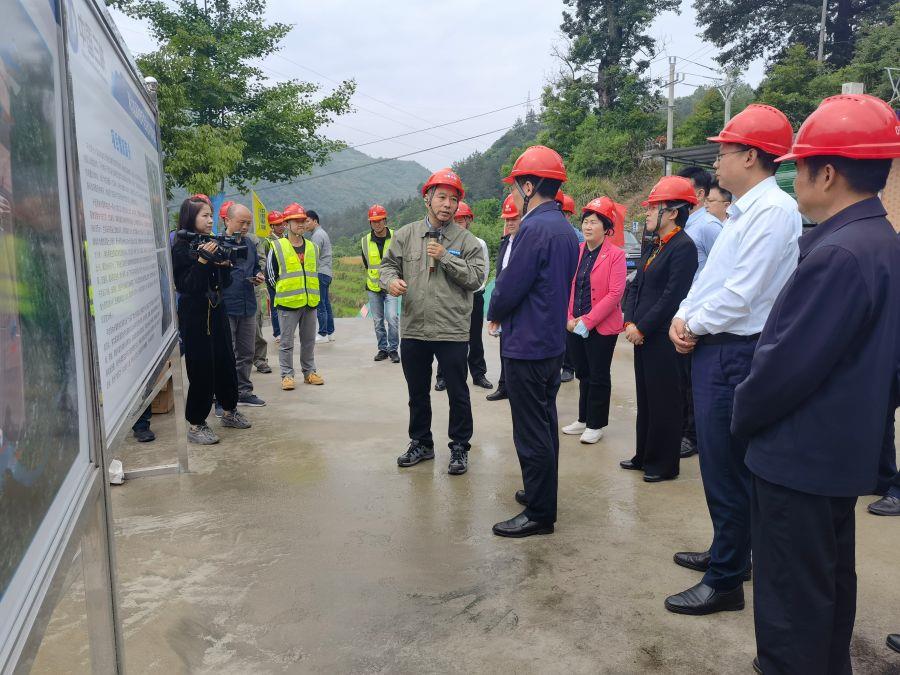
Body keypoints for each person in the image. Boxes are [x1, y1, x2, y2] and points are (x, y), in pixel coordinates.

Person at [730, 94, 900, 674]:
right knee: (825, 588)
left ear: (826, 173)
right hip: (835, 455)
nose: (794, 178)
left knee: (791, 607)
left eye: (798, 167)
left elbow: (784, 369)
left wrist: (741, 415)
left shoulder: (841, 254)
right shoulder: (879, 240)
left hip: (798, 459)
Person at [666, 104, 801, 616]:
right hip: (715, 345)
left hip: (735, 352)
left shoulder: (774, 212)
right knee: (720, 464)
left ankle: (725, 579)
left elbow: (743, 294)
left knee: (726, 467)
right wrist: (684, 314)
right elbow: (710, 281)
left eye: (723, 152)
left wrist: (693, 324)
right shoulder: (741, 213)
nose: (716, 162)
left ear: (750, 156)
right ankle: (730, 552)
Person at [487, 145, 579, 538]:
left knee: (530, 430)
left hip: (527, 342)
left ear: (528, 187)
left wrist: (494, 310)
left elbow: (509, 286)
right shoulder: (564, 228)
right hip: (550, 341)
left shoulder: (533, 228)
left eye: (515, 187)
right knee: (544, 422)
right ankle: (540, 492)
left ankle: (540, 513)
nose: (513, 194)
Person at [380, 169, 485, 476]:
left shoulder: (467, 241)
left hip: (452, 331)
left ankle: (460, 447)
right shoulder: (406, 235)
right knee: (417, 393)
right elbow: (387, 266)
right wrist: (391, 282)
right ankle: (421, 443)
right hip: (415, 327)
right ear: (427, 198)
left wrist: (446, 257)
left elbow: (476, 278)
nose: (447, 204)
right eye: (441, 197)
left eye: (453, 199)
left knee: (458, 393)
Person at [620, 178, 698, 480]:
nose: (649, 213)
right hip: (642, 335)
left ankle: (663, 465)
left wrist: (642, 327)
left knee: (665, 401)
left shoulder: (683, 247)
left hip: (662, 336)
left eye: (654, 207)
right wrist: (629, 321)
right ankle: (644, 455)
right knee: (647, 399)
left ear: (674, 212)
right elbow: (636, 285)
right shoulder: (655, 244)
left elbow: (672, 297)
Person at [171, 197, 251, 444]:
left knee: (226, 360)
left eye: (210, 215)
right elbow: (187, 285)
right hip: (195, 313)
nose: (209, 220)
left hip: (216, 307)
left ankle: (229, 410)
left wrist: (224, 265)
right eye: (204, 215)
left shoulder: (212, 242)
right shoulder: (181, 248)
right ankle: (196, 424)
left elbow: (223, 283)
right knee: (201, 367)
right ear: (190, 217)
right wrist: (203, 261)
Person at [561, 197, 627, 444]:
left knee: (599, 375)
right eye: (586, 222)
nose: (588, 227)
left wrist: (587, 321)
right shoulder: (576, 251)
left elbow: (615, 293)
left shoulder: (615, 255)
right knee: (583, 372)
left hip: (601, 326)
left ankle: (596, 424)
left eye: (594, 222)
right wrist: (569, 318)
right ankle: (583, 418)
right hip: (574, 324)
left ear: (606, 228)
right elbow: (568, 286)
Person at [674, 167, 723, 460]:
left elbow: (721, 273)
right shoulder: (685, 225)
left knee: (693, 380)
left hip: (699, 317)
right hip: (682, 312)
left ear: (700, 194)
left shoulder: (709, 226)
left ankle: (692, 436)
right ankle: (683, 430)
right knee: (680, 380)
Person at [266, 202, 325, 389]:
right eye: (296, 220)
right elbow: (270, 276)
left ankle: (309, 372)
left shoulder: (313, 248)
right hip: (288, 303)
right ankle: (287, 375)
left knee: (308, 341)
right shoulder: (277, 246)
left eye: (303, 220)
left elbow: (314, 272)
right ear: (287, 224)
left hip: (310, 302)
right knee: (286, 342)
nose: (301, 224)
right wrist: (284, 291)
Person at [435, 201, 492, 391]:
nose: (458, 223)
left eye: (461, 220)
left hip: (473, 296)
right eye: (455, 220)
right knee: (446, 338)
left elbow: (483, 271)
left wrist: (474, 288)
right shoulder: (443, 242)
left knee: (474, 338)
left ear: (469, 220)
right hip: (449, 298)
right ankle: (443, 376)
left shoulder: (478, 243)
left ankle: (478, 374)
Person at [221, 203, 266, 407]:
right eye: (242, 222)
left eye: (248, 223)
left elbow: (255, 267)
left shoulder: (249, 244)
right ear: (227, 221)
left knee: (247, 351)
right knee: (227, 353)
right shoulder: (219, 244)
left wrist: (258, 275)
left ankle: (244, 391)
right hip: (227, 306)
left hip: (248, 305)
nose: (246, 227)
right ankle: (224, 396)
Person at [485, 195, 521, 402]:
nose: (509, 223)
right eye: (507, 219)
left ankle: (515, 388)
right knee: (504, 347)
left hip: (520, 305)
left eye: (514, 218)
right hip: (504, 302)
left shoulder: (526, 244)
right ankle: (504, 385)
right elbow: (500, 277)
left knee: (518, 352)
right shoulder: (506, 242)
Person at [362, 204, 400, 363]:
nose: (377, 224)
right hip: (373, 287)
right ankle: (382, 349)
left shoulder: (396, 236)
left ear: (385, 220)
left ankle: (393, 349)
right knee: (378, 321)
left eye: (379, 220)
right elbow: (367, 263)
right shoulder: (364, 241)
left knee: (392, 318)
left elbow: (401, 260)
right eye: (374, 221)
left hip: (391, 285)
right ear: (370, 223)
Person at [556, 190, 581, 384]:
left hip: (571, 286)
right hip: (556, 286)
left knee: (568, 329)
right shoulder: (552, 231)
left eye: (565, 213)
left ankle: (568, 367)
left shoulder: (577, 236)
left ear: (569, 215)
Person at [305, 210, 334, 344]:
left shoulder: (317, 236)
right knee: (326, 303)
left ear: (315, 221)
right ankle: (330, 332)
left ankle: (323, 333)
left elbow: (313, 257)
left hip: (320, 273)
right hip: (326, 272)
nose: (305, 224)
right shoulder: (323, 233)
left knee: (320, 304)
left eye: (307, 221)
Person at [261, 210, 286, 343]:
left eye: (282, 223)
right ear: (272, 226)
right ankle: (277, 332)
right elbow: (265, 261)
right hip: (273, 278)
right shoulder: (267, 242)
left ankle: (286, 330)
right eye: (277, 224)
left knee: (285, 305)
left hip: (286, 277)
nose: (281, 226)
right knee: (275, 306)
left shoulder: (286, 239)